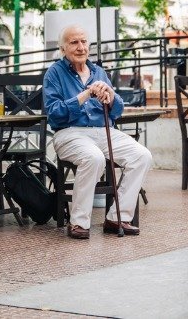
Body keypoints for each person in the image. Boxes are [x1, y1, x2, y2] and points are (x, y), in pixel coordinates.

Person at [44, 25, 152, 240]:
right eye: (74, 42)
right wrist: (85, 95)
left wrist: (110, 95)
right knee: (93, 158)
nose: (81, 47)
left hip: (103, 131)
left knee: (142, 156)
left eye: (84, 42)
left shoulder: (99, 72)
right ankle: (78, 222)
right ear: (63, 48)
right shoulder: (54, 73)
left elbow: (118, 111)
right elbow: (54, 113)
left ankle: (116, 217)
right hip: (69, 133)